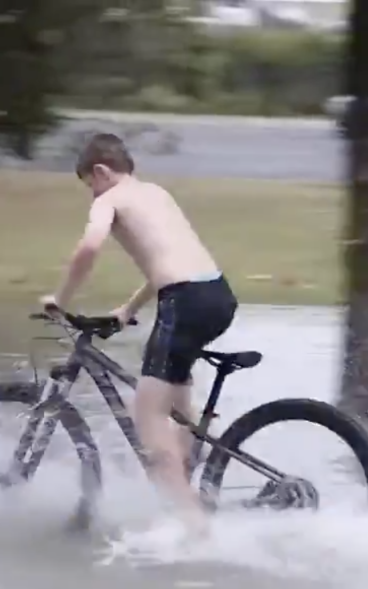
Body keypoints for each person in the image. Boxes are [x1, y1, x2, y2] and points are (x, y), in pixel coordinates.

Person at [40, 133, 238, 535]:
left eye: (89, 185)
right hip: (216, 296)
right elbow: (170, 261)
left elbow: (88, 248)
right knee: (178, 411)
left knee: (146, 416)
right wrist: (130, 308)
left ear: (100, 171)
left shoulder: (109, 199)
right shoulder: (156, 193)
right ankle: (192, 492)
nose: (90, 194)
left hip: (183, 302)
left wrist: (59, 300)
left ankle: (196, 531)